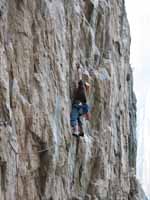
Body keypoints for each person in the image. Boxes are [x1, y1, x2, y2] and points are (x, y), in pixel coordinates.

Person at [70, 64, 91, 137]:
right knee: (78, 119)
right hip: (82, 107)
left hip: (78, 105)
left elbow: (79, 78)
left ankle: (76, 130)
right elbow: (86, 107)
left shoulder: (82, 88)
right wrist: (87, 115)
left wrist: (79, 69)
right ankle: (81, 130)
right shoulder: (85, 94)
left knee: (74, 117)